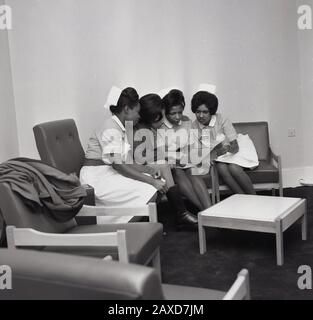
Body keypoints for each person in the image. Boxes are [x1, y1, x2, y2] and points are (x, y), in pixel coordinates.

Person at [81, 87, 197, 228]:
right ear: (126, 109)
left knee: (158, 179)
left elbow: (127, 162)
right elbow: (118, 165)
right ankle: (128, 228)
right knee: (151, 188)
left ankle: (178, 215)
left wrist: (149, 170)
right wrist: (150, 180)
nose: (139, 115)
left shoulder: (121, 127)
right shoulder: (110, 128)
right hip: (98, 177)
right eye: (137, 111)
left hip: (110, 172)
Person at [191, 90, 256, 195]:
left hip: (233, 150)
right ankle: (243, 198)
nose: (201, 116)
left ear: (211, 111)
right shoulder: (194, 126)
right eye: (198, 112)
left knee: (233, 168)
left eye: (205, 112)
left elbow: (235, 147)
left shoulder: (222, 120)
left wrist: (222, 150)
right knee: (221, 167)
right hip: (215, 156)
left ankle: (254, 197)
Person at [160, 89, 211, 211]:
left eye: (180, 112)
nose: (178, 117)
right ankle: (203, 211)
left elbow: (191, 143)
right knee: (178, 173)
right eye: (173, 113)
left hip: (186, 159)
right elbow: (160, 151)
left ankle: (210, 211)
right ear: (165, 112)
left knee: (193, 172)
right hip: (170, 163)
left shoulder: (186, 120)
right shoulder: (160, 125)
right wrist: (175, 158)